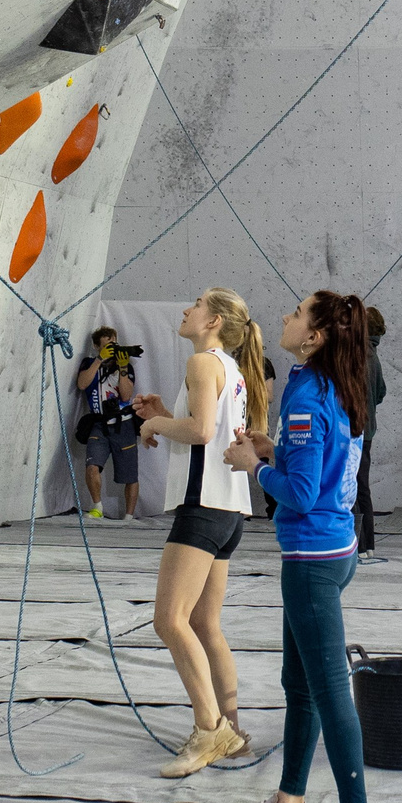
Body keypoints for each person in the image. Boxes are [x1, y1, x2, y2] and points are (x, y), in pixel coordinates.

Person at [225, 290, 379, 803]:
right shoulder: (335, 384)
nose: (285, 317)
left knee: (331, 691)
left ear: (314, 337)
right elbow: (322, 459)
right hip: (333, 552)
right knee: (302, 684)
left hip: (313, 559)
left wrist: (256, 466)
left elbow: (302, 492)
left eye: (295, 313)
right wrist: (276, 450)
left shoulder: (306, 394)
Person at [132, 287, 267, 778]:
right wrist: (160, 415)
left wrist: (156, 427)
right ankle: (230, 730)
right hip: (230, 510)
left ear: (212, 321)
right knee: (206, 624)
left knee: (169, 620)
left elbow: (202, 432)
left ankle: (210, 730)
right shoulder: (231, 368)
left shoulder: (202, 364)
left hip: (204, 508)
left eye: (195, 305)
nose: (185, 309)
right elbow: (205, 425)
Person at [75, 327, 143, 520]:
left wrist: (122, 367)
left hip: (124, 423)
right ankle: (97, 507)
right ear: (97, 346)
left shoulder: (125, 365)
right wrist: (99, 360)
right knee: (92, 466)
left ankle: (129, 517)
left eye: (113, 345)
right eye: (106, 347)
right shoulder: (89, 363)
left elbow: (126, 395)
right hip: (99, 423)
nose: (111, 350)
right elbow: (81, 384)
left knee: (131, 475)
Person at [355, 306, 389, 562]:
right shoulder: (372, 355)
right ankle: (367, 544)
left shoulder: (359, 355)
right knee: (361, 486)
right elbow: (380, 393)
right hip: (367, 429)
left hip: (356, 430)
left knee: (354, 486)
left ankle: (360, 542)